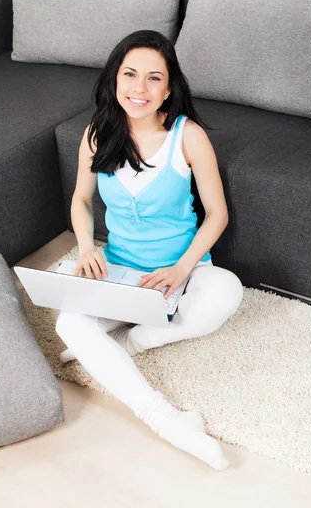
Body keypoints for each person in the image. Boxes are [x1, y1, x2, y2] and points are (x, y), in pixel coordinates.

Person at [55, 30, 244, 471]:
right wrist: (86, 248)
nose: (139, 88)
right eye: (130, 74)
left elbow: (217, 214)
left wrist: (181, 269)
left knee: (227, 293)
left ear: (168, 88)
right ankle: (166, 419)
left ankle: (131, 339)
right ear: (114, 80)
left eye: (153, 78)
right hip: (119, 267)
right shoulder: (97, 134)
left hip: (183, 271)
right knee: (67, 320)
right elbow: (81, 200)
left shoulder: (188, 136)